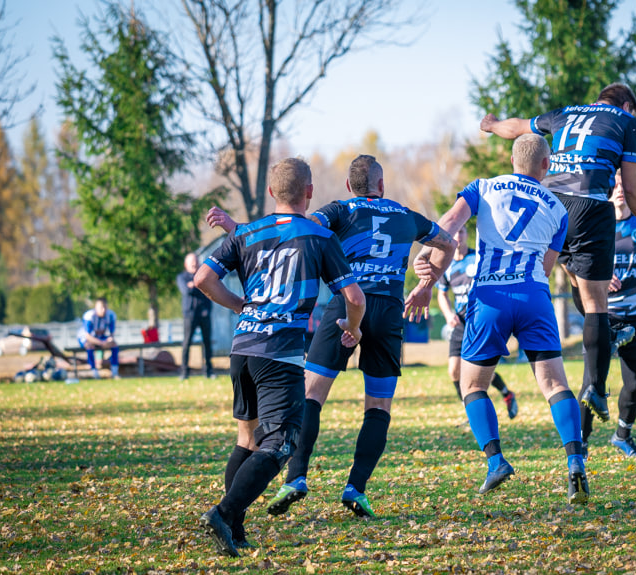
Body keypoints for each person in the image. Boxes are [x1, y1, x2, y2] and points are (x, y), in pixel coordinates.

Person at [214, 155, 456, 519]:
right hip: (389, 310)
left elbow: (296, 227)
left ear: (348, 186)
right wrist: (427, 284)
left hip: (347, 304)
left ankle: (295, 477)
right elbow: (448, 242)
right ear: (382, 186)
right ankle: (355, 488)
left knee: (311, 394)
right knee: (378, 406)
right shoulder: (406, 216)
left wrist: (240, 229)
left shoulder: (339, 210)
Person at [194, 157, 365, 557]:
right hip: (279, 354)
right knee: (282, 443)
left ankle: (233, 528)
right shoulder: (319, 236)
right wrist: (353, 328)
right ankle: (223, 512)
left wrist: (240, 306)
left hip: (243, 349)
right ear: (309, 193)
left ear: (271, 193)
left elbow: (203, 279)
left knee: (248, 439)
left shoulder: (248, 232)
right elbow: (353, 297)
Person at [409, 133, 589, 504]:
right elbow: (546, 266)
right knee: (555, 384)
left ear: (511, 160)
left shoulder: (484, 187)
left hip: (490, 293)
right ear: (546, 165)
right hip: (533, 294)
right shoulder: (557, 208)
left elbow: (449, 225)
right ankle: (575, 464)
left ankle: (496, 462)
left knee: (472, 385)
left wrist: (427, 266)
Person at [480, 83, 636, 425]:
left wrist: (491, 125)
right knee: (596, 303)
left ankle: (603, 332)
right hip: (591, 204)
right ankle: (595, 386)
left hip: (549, 205)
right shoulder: (627, 121)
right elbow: (633, 184)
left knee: (567, 275)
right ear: (626, 104)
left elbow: (517, 127)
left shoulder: (565, 113)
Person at [577, 172, 636, 459]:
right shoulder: (596, 222)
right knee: (592, 384)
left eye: (623, 185)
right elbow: (579, 267)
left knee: (633, 383)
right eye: (614, 185)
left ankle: (622, 435)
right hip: (604, 314)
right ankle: (581, 441)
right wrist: (602, 279)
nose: (620, 190)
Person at [437, 225, 518, 419]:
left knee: (479, 370)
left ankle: (506, 394)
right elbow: (442, 294)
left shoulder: (477, 258)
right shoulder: (446, 264)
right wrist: (449, 315)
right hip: (459, 322)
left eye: (462, 231)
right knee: (454, 371)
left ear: (466, 235)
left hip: (479, 321)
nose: (458, 235)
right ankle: (471, 412)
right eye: (455, 231)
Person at [176, 252, 214, 380]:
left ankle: (208, 371)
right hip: (190, 314)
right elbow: (186, 290)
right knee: (186, 343)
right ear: (185, 264)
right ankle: (184, 372)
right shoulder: (181, 277)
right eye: (191, 261)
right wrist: (197, 286)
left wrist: (193, 285)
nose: (194, 263)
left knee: (207, 343)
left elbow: (209, 289)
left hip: (204, 313)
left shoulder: (203, 276)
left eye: (196, 261)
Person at [76, 297, 120, 380]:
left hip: (100, 337)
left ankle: (114, 372)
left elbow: (111, 334)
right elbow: (88, 336)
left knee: (114, 345)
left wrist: (109, 340)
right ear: (96, 307)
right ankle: (94, 372)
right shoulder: (89, 316)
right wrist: (101, 343)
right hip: (85, 337)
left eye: (105, 307)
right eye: (101, 307)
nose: (103, 310)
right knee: (89, 345)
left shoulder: (111, 315)